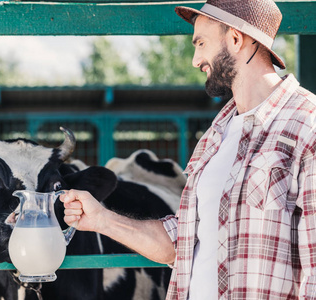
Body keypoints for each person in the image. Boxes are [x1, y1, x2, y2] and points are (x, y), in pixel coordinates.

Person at [60, 0, 316, 299]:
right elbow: (180, 243)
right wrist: (101, 219)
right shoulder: (215, 136)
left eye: (201, 43)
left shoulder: (307, 124)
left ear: (235, 39)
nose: (195, 59)